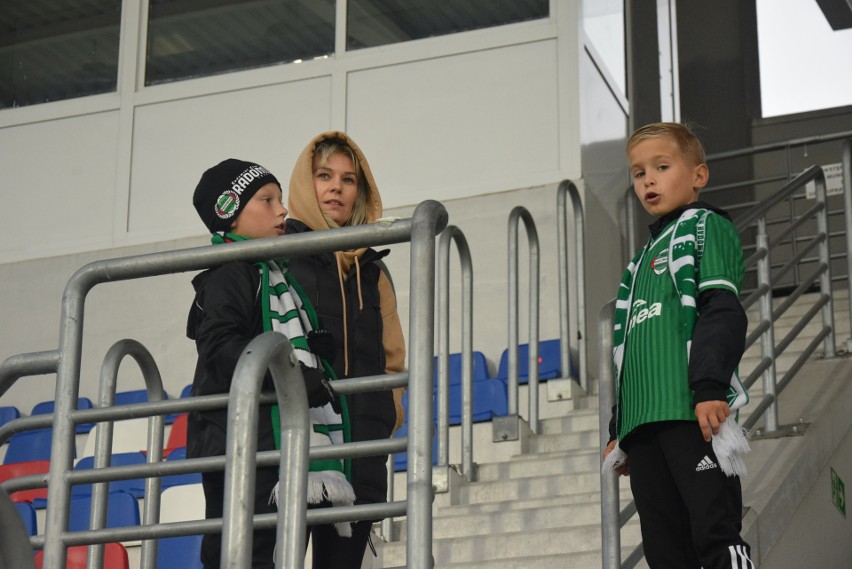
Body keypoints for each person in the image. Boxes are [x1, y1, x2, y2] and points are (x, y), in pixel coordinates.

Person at [186, 158, 355, 569]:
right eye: (266, 200)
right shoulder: (232, 272)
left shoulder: (273, 272)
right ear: (230, 214)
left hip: (267, 439)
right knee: (249, 554)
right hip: (244, 441)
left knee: (278, 554)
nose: (282, 210)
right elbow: (222, 345)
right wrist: (293, 377)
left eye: (280, 198)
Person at [601, 123, 755, 569]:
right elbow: (626, 350)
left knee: (714, 532)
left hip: (691, 413)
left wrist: (708, 387)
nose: (647, 179)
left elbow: (721, 310)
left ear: (698, 176)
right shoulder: (637, 262)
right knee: (665, 552)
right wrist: (619, 426)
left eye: (661, 167)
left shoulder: (708, 227)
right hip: (643, 425)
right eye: (638, 172)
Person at [285, 132, 406, 568]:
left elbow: (394, 359)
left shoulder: (373, 269)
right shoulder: (280, 255)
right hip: (299, 448)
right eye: (324, 175)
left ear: (361, 190)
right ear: (305, 182)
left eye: (348, 179)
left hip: (360, 452)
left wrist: (385, 416)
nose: (336, 187)